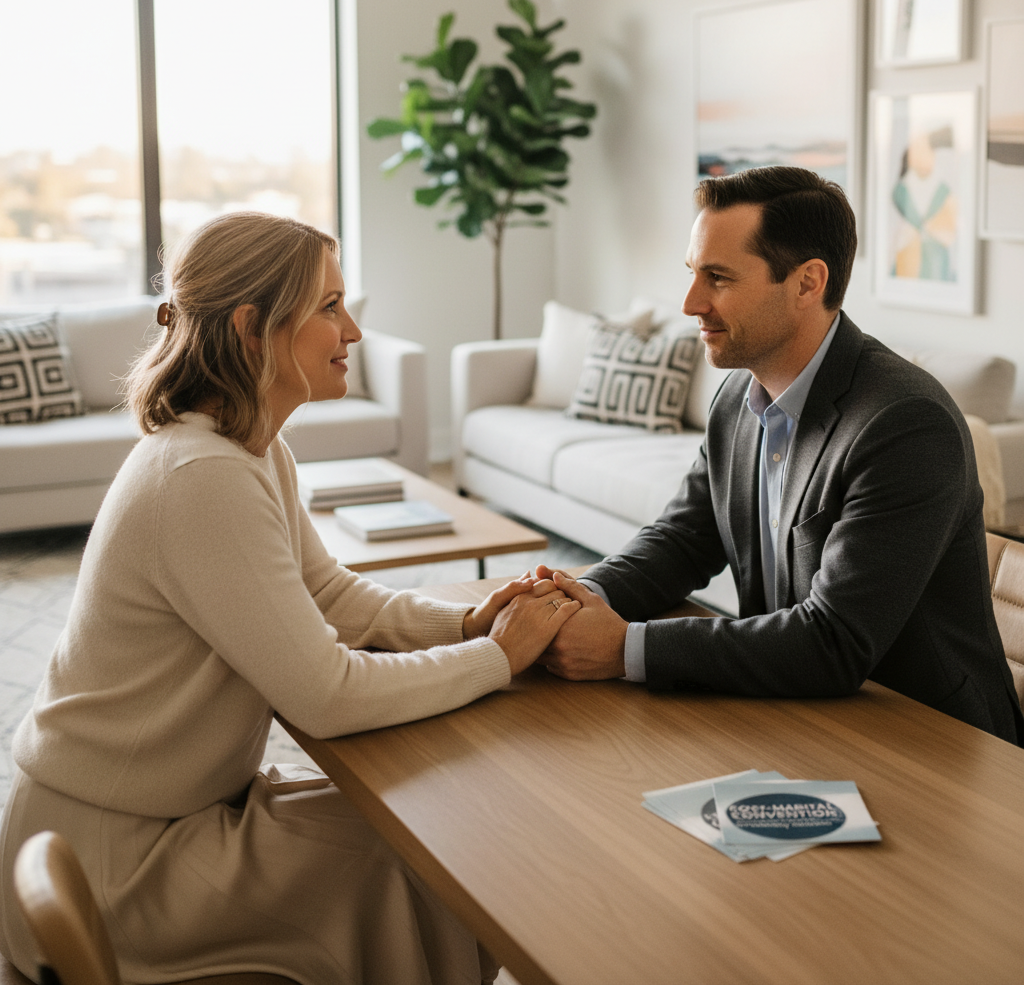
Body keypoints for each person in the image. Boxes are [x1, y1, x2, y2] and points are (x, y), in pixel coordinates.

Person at [0, 211, 581, 984]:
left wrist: (469, 619)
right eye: (329, 307)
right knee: (429, 863)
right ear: (252, 328)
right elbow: (327, 695)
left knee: (425, 834)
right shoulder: (200, 479)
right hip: (124, 860)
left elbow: (330, 595)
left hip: (173, 814)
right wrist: (495, 658)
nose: (354, 331)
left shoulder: (251, 450)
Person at [534, 166, 1023, 745]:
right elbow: (684, 540)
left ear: (807, 283)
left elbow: (833, 641)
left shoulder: (905, 424)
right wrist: (575, 598)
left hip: (929, 742)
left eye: (718, 278)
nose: (691, 303)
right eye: (693, 273)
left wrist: (622, 648)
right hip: (797, 710)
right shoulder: (739, 395)